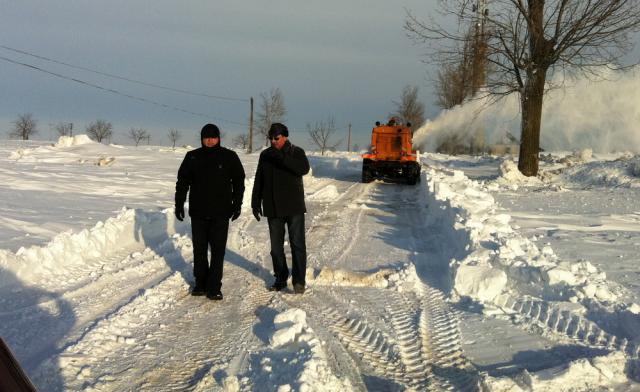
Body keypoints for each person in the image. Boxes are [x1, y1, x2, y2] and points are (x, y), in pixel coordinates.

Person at [175, 124, 245, 300]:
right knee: (199, 250)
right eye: (206, 137)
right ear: (201, 138)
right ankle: (200, 283)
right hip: (198, 212)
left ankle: (214, 286)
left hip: (221, 213)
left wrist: (237, 204)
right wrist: (178, 204)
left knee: (217, 251)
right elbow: (182, 182)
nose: (210, 140)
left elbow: (239, 182)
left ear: (218, 138)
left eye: (213, 137)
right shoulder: (192, 157)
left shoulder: (229, 157)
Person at [251, 123, 310, 294]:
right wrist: (255, 202)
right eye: (271, 138)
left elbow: (303, 169)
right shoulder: (265, 155)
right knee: (276, 248)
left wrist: (283, 158)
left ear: (285, 136)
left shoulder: (296, 152)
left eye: (276, 138)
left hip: (293, 206)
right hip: (273, 207)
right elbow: (259, 179)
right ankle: (281, 277)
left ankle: (299, 281)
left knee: (297, 244)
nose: (273, 141)